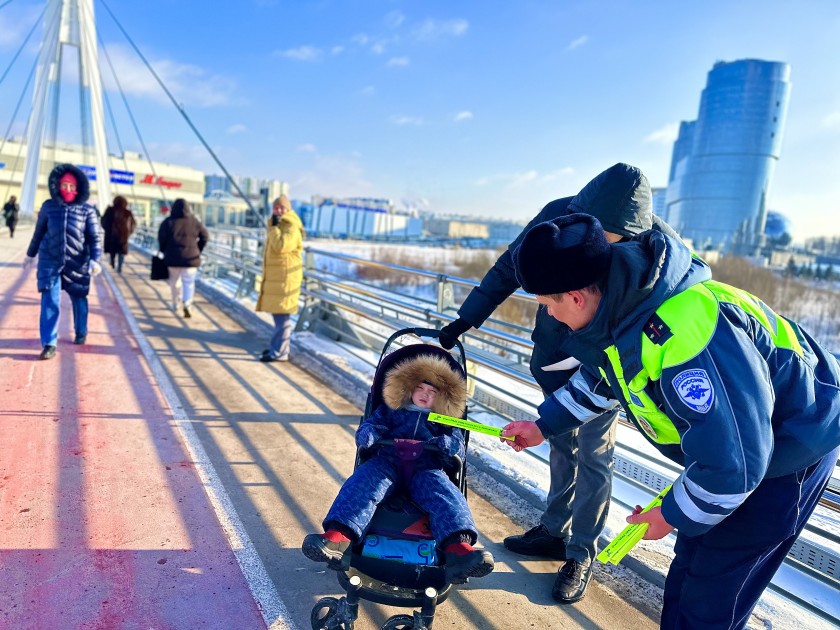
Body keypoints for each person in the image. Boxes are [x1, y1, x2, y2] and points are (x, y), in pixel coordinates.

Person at [502, 213, 840, 629]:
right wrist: (542, 426)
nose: (550, 316)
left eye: (548, 305)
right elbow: (605, 378)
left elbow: (737, 464)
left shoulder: (683, 332)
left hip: (790, 450)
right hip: (736, 447)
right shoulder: (621, 307)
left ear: (575, 297)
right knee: (690, 565)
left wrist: (671, 514)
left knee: (714, 589)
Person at [437, 163, 680, 603]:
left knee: (594, 456)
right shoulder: (557, 215)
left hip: (605, 366)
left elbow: (675, 290)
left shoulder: (651, 243)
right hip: (554, 354)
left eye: (612, 241)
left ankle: (581, 552)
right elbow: (511, 267)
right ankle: (553, 529)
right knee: (559, 444)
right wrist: (465, 319)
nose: (601, 249)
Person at [302, 353, 495, 583]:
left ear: (442, 397)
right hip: (388, 461)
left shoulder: (445, 419)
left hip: (426, 469)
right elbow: (371, 425)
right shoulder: (393, 409)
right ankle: (338, 537)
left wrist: (448, 445)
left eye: (432, 392)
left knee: (445, 494)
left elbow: (457, 446)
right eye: (420, 388)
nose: (425, 395)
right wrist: (369, 433)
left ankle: (457, 550)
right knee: (363, 483)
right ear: (408, 388)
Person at [23, 164, 102, 359]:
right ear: (57, 185)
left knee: (79, 298)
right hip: (50, 260)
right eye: (64, 185)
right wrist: (30, 254)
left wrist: (95, 260)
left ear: (78, 188)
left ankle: (81, 331)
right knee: (50, 299)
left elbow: (94, 238)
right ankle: (49, 343)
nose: (68, 189)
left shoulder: (87, 211)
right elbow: (39, 232)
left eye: (71, 186)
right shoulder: (49, 206)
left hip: (77, 262)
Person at [256, 195, 304, 363]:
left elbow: (281, 246)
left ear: (288, 209)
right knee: (279, 317)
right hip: (279, 277)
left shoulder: (290, 226)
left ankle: (280, 353)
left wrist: (274, 229)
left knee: (282, 318)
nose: (278, 211)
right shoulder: (278, 224)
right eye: (276, 208)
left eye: (282, 208)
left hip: (285, 279)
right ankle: (277, 348)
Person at [157, 198, 208, 318]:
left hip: (172, 258)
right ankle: (187, 303)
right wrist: (197, 250)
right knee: (189, 282)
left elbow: (161, 238)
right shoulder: (194, 222)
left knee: (174, 282)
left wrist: (165, 250)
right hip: (191, 258)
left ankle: (175, 303)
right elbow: (205, 236)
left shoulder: (168, 222)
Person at [101, 195, 136, 273]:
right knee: (121, 251)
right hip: (123, 235)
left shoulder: (110, 210)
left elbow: (103, 221)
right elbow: (133, 224)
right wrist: (129, 232)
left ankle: (112, 262)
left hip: (111, 234)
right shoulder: (127, 213)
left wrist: (107, 229)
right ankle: (120, 266)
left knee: (112, 249)